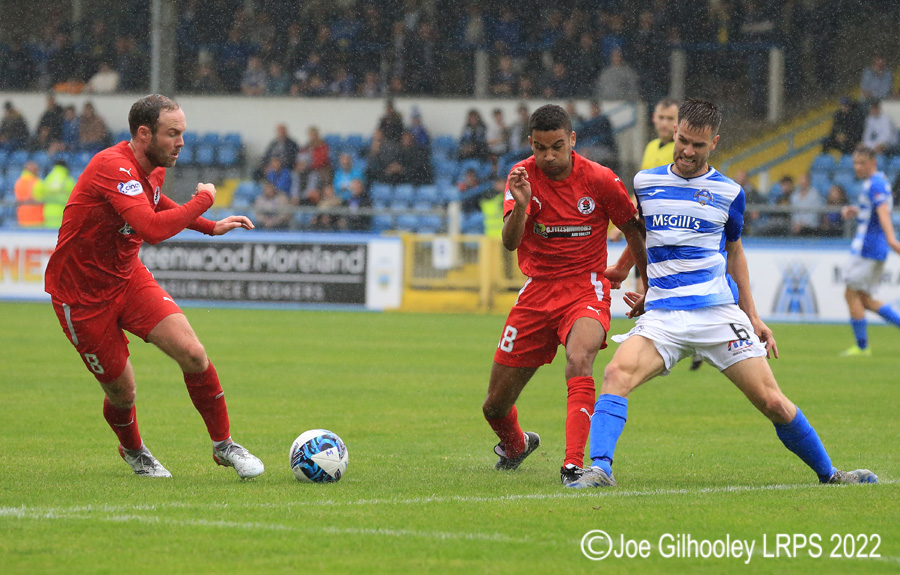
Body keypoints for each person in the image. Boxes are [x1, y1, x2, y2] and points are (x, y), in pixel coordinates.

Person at [567, 99, 877, 489]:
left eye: (698, 144)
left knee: (773, 402)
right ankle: (601, 469)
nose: (687, 151)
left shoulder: (729, 192)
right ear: (674, 133)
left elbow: (735, 253)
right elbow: (644, 231)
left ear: (714, 142)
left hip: (716, 313)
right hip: (663, 317)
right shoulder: (646, 182)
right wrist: (631, 272)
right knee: (615, 374)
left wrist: (754, 316)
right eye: (682, 140)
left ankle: (831, 475)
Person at [43, 94, 264, 479]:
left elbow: (156, 204)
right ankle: (133, 450)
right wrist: (204, 200)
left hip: (128, 278)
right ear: (144, 134)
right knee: (123, 392)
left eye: (183, 133)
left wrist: (210, 227)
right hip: (81, 297)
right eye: (172, 134)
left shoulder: (154, 167)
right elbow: (152, 229)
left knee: (193, 353)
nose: (181, 142)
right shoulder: (113, 167)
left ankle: (224, 445)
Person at [482, 104, 648, 486]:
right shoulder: (521, 176)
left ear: (573, 140)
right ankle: (517, 444)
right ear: (530, 144)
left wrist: (643, 283)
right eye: (540, 148)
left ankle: (573, 465)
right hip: (537, 292)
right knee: (494, 406)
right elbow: (510, 243)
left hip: (584, 287)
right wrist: (521, 207)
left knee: (579, 358)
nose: (549, 156)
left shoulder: (600, 180)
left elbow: (634, 230)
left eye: (557, 146)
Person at [839, 145, 900, 357]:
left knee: (850, 293)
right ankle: (863, 345)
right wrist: (856, 211)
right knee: (865, 300)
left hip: (868, 247)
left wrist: (892, 239)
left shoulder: (875, 183)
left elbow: (883, 212)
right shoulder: (878, 182)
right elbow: (874, 212)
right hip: (875, 247)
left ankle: (862, 347)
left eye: (862, 163)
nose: (857, 167)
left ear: (873, 162)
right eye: (855, 162)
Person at [32, 159, 76, 229]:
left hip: (49, 214)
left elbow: (37, 194)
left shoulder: (48, 178)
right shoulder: (69, 180)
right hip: (63, 216)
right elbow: (75, 198)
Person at [640, 97, 679, 171]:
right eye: (661, 117)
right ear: (654, 117)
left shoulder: (682, 149)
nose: (664, 124)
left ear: (680, 120)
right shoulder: (650, 146)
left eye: (670, 118)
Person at [14, 160, 43, 227]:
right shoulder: (37, 182)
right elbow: (43, 199)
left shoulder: (19, 182)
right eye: (36, 169)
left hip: (22, 218)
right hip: (36, 220)